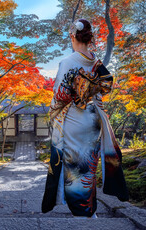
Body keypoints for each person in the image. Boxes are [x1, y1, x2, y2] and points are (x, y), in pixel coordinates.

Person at [41, 19, 129, 218]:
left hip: (74, 120)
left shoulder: (68, 62)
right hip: (94, 119)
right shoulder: (95, 61)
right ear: (89, 38)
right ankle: (90, 206)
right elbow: (102, 89)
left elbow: (59, 96)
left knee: (76, 167)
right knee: (89, 165)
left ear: (72, 36)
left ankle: (81, 209)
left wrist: (53, 115)